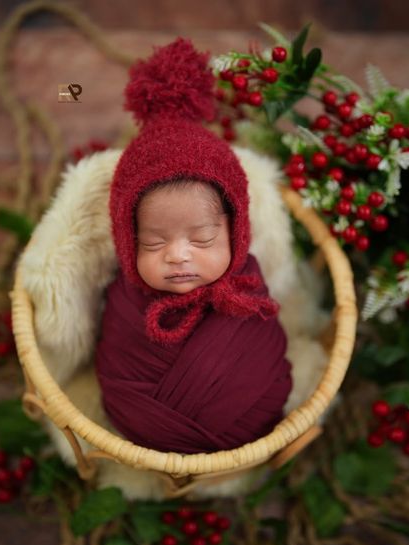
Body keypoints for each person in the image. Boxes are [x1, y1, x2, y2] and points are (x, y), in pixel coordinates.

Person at [94, 37, 292, 454]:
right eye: (152, 242)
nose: (178, 255)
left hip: (245, 429)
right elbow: (115, 368)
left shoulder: (246, 289)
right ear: (127, 242)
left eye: (202, 239)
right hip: (144, 431)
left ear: (236, 233)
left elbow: (270, 357)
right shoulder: (128, 303)